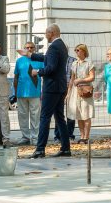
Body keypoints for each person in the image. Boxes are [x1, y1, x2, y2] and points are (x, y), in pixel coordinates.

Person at [25, 24, 70, 158]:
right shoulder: (61, 45)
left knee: (44, 118)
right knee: (60, 119)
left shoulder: (54, 47)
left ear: (52, 32)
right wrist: (30, 55)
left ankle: (40, 149)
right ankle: (66, 148)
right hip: (60, 87)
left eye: (46, 33)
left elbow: (50, 67)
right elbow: (48, 59)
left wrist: (36, 71)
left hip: (51, 88)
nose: (45, 35)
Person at [12, 40, 43, 145]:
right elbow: (16, 77)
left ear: (34, 49)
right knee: (22, 116)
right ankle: (25, 137)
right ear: (24, 49)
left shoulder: (39, 60)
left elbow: (46, 74)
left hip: (35, 93)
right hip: (21, 93)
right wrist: (15, 92)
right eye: (27, 47)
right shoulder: (19, 61)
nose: (29, 49)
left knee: (35, 116)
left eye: (31, 47)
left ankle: (35, 138)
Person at [66, 44, 95, 144]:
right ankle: (82, 136)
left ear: (83, 51)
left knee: (86, 114)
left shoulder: (89, 63)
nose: (76, 52)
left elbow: (92, 77)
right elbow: (72, 79)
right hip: (75, 91)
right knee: (78, 114)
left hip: (85, 90)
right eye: (75, 50)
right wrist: (68, 92)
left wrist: (81, 80)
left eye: (78, 50)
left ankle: (87, 137)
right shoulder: (74, 63)